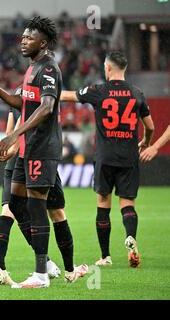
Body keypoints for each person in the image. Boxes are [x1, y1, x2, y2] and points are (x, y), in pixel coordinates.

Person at [0, 16, 87, 288]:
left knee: (39, 206)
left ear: (43, 42)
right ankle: (62, 267)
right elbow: (21, 102)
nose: (23, 40)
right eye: (22, 37)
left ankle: (41, 274)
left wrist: (14, 134)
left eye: (29, 37)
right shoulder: (33, 68)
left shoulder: (48, 69)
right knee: (19, 203)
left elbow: (46, 107)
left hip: (41, 148)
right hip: (28, 149)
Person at [60, 51, 155, 268]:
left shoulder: (99, 91)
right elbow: (150, 126)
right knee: (127, 204)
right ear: (125, 68)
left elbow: (68, 96)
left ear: (108, 68)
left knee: (103, 205)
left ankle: (105, 256)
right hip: (129, 157)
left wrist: (40, 93)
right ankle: (130, 236)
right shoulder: (137, 93)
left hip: (105, 157)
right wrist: (145, 142)